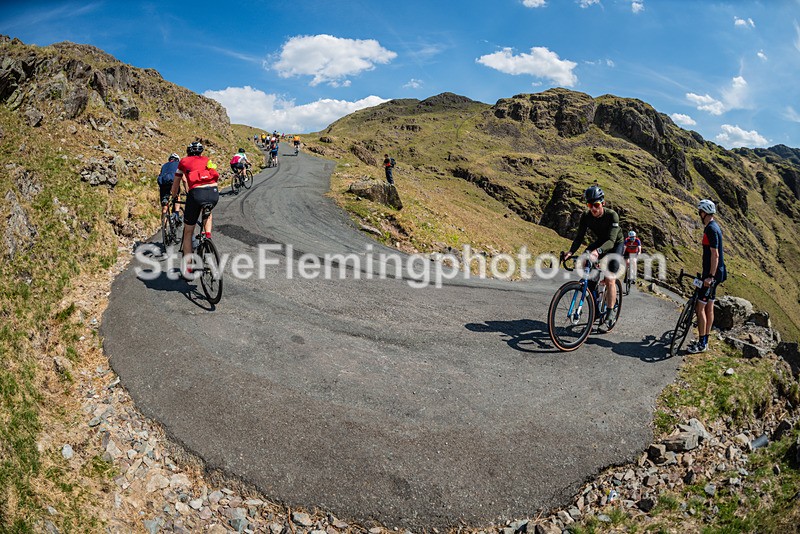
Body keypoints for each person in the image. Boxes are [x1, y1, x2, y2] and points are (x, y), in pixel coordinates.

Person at [562, 185, 624, 325]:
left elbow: (611, 241)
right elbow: (579, 237)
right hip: (601, 242)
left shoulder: (612, 215)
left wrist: (598, 252)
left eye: (596, 205)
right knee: (587, 268)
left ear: (603, 203)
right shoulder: (586, 216)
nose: (593, 209)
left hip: (615, 244)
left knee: (610, 278)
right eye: (590, 205)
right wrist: (571, 252)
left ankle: (610, 311)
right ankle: (594, 301)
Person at [170, 141, 220, 274]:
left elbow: (176, 184)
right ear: (200, 152)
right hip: (213, 193)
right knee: (207, 211)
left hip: (196, 194)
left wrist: (174, 196)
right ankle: (207, 236)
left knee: (188, 232)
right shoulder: (207, 160)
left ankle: (189, 266)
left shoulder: (184, 162)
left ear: (188, 151)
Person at [687, 199, 727, 354]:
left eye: (700, 212)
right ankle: (705, 339)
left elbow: (715, 254)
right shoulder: (714, 226)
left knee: (700, 307)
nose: (699, 214)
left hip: (712, 275)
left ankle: (702, 343)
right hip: (717, 274)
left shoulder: (711, 229)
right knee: (709, 307)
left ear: (703, 212)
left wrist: (710, 276)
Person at [157, 153, 181, 227]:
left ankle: (163, 226)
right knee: (177, 196)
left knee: (165, 206)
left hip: (163, 185)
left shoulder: (164, 165)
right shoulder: (178, 164)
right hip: (172, 183)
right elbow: (183, 178)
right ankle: (176, 213)